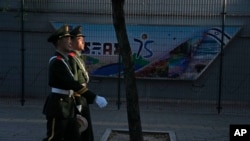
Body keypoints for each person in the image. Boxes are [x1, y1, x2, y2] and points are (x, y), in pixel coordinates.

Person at [42, 24, 90, 141]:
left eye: (70, 38)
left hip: (68, 105)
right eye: (67, 39)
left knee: (74, 137)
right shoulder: (57, 61)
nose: (70, 41)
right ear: (59, 41)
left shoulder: (66, 60)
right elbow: (72, 83)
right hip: (58, 106)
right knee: (54, 137)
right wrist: (92, 97)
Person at [68, 25, 108, 141]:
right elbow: (74, 83)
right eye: (80, 39)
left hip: (83, 97)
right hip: (78, 99)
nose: (83, 41)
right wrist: (79, 102)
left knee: (85, 130)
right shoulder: (71, 58)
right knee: (80, 130)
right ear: (72, 42)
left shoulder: (78, 57)